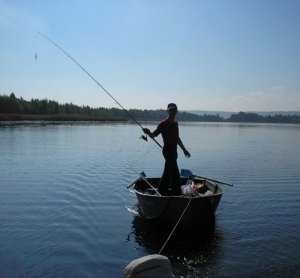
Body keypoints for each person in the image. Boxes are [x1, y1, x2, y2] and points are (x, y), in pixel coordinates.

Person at [143, 103, 191, 195]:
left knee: (170, 171)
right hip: (167, 151)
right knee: (173, 172)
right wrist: (148, 132)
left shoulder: (176, 124)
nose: (172, 112)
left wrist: (184, 150)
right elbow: (154, 135)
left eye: (174, 110)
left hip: (174, 151)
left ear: (176, 111)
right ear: (168, 111)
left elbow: (177, 138)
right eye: (171, 110)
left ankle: (169, 191)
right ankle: (167, 191)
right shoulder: (163, 124)